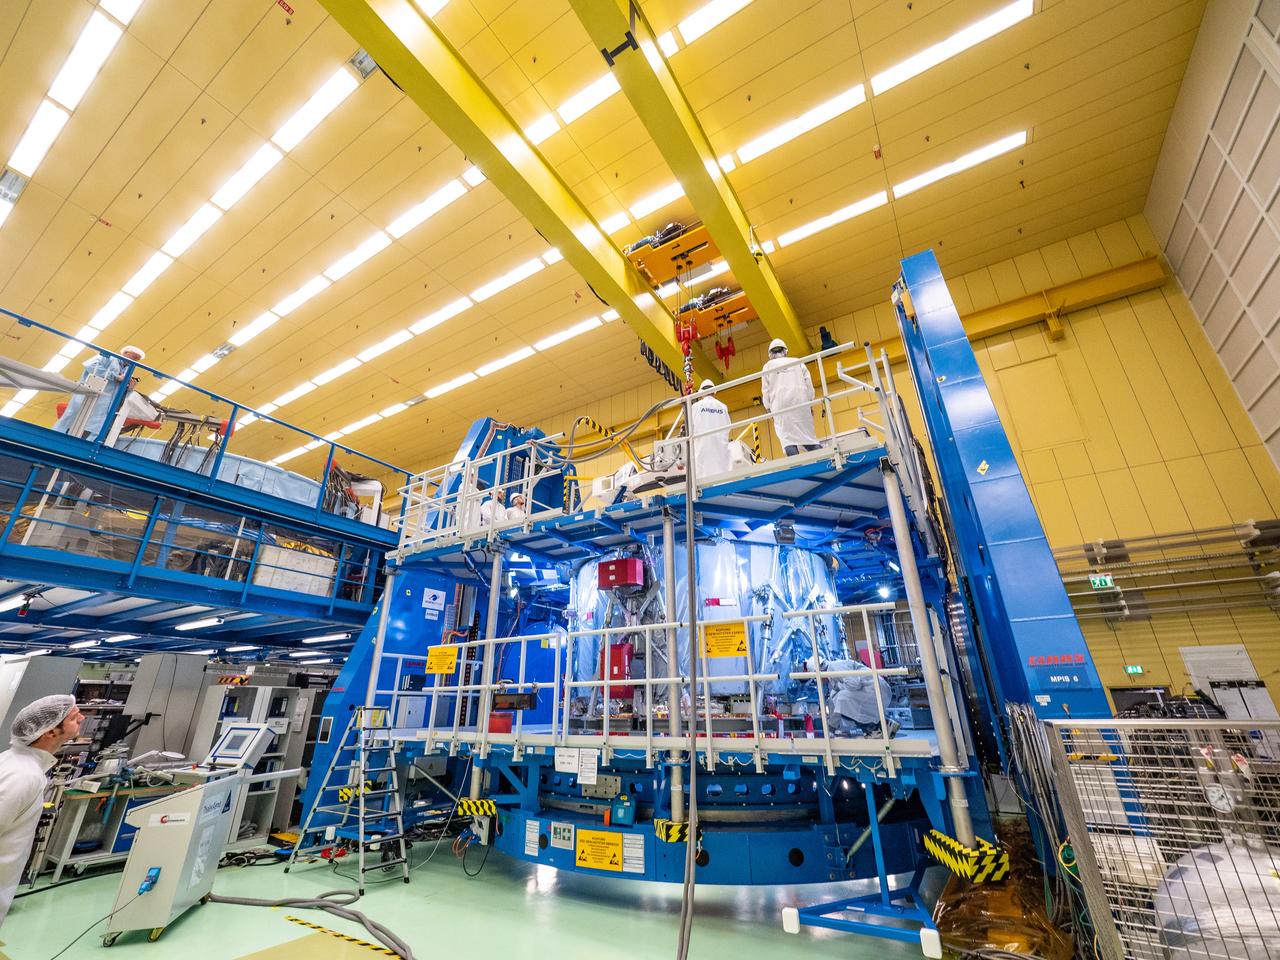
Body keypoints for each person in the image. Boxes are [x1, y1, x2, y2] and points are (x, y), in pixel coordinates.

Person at [0, 695, 83, 925]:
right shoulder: (23, 776)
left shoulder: (16, 763)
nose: (82, 719)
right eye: (74, 717)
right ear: (50, 732)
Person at [54, 345, 146, 439]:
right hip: (88, 397)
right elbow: (91, 365)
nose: (135, 360)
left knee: (93, 430)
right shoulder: (107, 357)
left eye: (137, 359)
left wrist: (129, 388)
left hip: (104, 407)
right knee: (72, 422)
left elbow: (120, 393)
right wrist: (115, 376)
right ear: (125, 353)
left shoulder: (128, 371)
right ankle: (55, 438)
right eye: (134, 357)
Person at [804, 655, 894, 737]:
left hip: (876, 690)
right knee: (840, 700)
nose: (819, 682)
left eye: (816, 678)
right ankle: (884, 724)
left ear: (819, 671)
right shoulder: (832, 677)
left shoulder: (835, 667)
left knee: (842, 699)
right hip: (873, 692)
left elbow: (855, 684)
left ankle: (873, 729)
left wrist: (838, 687)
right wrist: (831, 728)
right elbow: (833, 703)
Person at [761, 338, 822, 456]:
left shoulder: (768, 366)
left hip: (780, 405)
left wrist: (768, 408)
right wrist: (810, 403)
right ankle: (824, 459)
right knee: (808, 437)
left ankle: (797, 464)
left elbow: (765, 390)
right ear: (785, 351)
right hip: (801, 402)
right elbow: (809, 385)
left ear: (770, 354)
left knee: (787, 439)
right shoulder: (798, 362)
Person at [689, 379, 733, 477]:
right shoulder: (723, 407)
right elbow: (728, 427)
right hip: (720, 449)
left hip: (702, 448)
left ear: (701, 393)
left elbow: (690, 428)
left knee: (702, 475)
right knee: (721, 474)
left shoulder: (695, 406)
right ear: (714, 392)